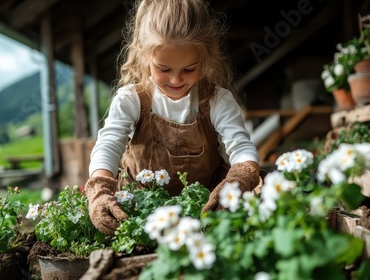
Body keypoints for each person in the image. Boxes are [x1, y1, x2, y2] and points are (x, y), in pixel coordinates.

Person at [85, 0, 260, 236]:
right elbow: (108, 145)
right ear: (143, 53)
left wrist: (239, 180)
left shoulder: (218, 101)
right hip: (139, 215)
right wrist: (100, 191)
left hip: (205, 215)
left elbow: (242, 149)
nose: (176, 80)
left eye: (189, 69)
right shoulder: (131, 100)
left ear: (206, 57)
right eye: (164, 69)